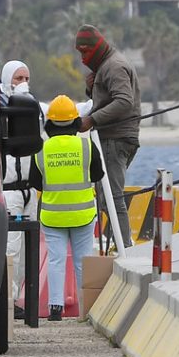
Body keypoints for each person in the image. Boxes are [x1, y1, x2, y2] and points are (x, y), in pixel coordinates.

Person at [29, 94, 104, 321]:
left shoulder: (41, 149)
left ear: (49, 123)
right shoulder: (86, 145)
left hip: (53, 216)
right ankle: (85, 310)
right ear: (75, 122)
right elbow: (98, 174)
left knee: (56, 260)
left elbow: (35, 182)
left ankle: (54, 309)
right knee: (83, 261)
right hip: (83, 213)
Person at [74, 24, 141, 248]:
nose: (83, 57)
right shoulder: (106, 66)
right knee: (106, 197)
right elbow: (108, 98)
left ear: (96, 47)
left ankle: (126, 250)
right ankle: (121, 246)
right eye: (79, 52)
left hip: (116, 138)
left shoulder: (113, 66)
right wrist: (90, 88)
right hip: (114, 138)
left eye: (85, 51)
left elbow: (124, 101)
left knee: (112, 197)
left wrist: (91, 120)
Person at [0, 59, 38, 320]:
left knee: (26, 253)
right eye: (18, 78)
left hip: (29, 190)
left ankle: (18, 298)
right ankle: (7, 302)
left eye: (26, 78)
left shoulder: (34, 108)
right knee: (10, 248)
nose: (23, 83)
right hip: (9, 189)